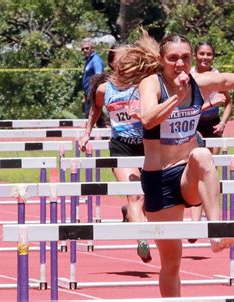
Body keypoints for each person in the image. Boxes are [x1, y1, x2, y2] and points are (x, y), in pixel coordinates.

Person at [125, 33, 234, 297]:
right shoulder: (151, 84)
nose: (180, 63)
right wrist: (177, 96)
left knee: (203, 155)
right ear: (161, 60)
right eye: (173, 58)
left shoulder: (198, 81)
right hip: (158, 180)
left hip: (186, 173)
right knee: (172, 261)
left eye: (185, 58)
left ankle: (216, 231)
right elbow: (149, 119)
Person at [79, 41, 160, 263]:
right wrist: (87, 133)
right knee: (136, 194)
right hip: (121, 146)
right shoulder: (105, 89)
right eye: (121, 59)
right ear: (113, 63)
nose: (126, 63)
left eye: (130, 58)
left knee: (151, 200)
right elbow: (96, 108)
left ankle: (129, 213)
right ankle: (142, 240)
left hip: (148, 144)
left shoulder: (146, 84)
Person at [189, 41, 234, 226]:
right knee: (197, 168)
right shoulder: (189, 76)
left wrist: (223, 122)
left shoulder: (218, 76)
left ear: (213, 57)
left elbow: (229, 103)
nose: (205, 57)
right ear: (195, 56)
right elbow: (188, 108)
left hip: (213, 125)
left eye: (209, 54)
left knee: (210, 170)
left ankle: (209, 214)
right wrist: (211, 104)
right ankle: (194, 220)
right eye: (202, 54)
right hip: (194, 124)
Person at [81, 38, 105, 119]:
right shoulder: (89, 60)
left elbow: (99, 77)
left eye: (87, 48)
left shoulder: (96, 60)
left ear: (92, 48)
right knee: (90, 118)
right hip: (88, 94)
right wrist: (85, 95)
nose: (84, 50)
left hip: (93, 94)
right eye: (82, 49)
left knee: (93, 119)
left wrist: (92, 92)